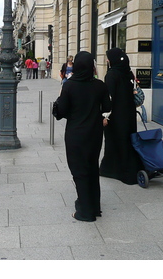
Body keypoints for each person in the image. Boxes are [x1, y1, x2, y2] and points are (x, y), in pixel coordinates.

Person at [57, 51, 112, 222]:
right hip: (95, 133)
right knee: (92, 168)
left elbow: (60, 111)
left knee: (79, 171)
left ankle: (85, 212)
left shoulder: (70, 85)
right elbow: (107, 106)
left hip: (76, 134)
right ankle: (94, 206)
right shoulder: (99, 85)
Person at [99, 47, 143, 185]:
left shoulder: (111, 75)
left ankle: (114, 170)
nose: (107, 60)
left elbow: (109, 97)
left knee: (114, 141)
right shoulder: (128, 73)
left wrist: (105, 116)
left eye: (108, 58)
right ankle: (128, 168)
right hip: (129, 115)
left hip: (116, 116)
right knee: (127, 141)